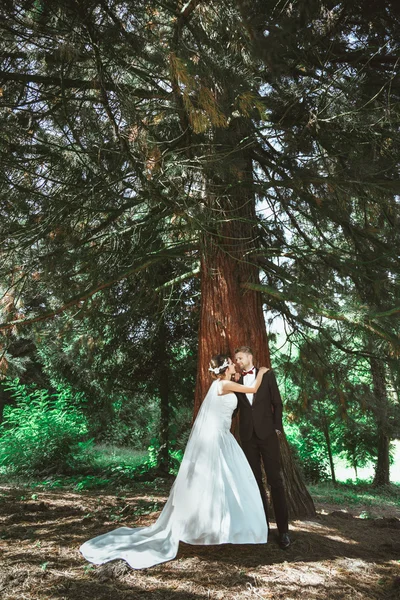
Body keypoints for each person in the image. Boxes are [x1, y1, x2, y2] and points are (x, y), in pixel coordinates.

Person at [80, 355, 269, 569]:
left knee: (220, 483)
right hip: (218, 438)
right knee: (221, 481)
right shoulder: (224, 384)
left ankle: (217, 527)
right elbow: (253, 390)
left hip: (221, 436)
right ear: (226, 368)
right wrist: (261, 373)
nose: (235, 363)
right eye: (231, 362)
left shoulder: (220, 384)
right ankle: (215, 528)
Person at [234, 346, 290, 549]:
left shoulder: (267, 376)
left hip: (268, 436)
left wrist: (277, 428)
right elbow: (235, 408)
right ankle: (262, 527)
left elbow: (278, 403)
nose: (238, 361)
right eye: (236, 359)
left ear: (250, 357)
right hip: (248, 437)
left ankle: (284, 531)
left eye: (240, 358)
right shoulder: (236, 381)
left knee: (275, 480)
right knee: (255, 482)